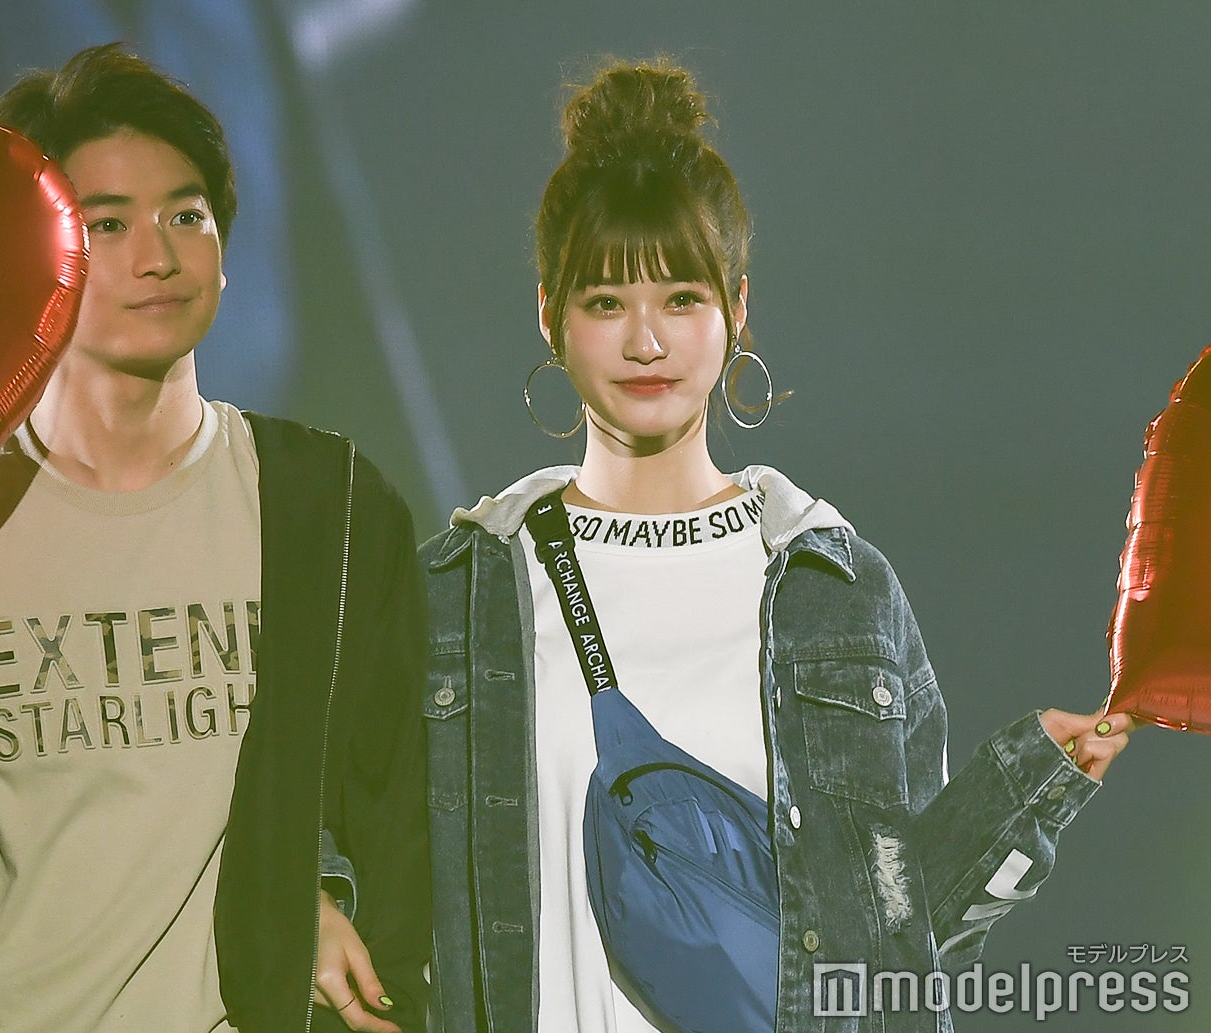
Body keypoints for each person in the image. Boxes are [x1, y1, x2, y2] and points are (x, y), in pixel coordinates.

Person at [419, 58, 1140, 1033]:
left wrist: (1018, 795)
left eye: (682, 297)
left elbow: (894, 947)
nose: (646, 342)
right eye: (605, 301)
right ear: (550, 313)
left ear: (738, 308)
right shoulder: (461, 594)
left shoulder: (834, 589)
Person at [0, 43, 428, 1033]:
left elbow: (401, 818)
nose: (158, 255)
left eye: (186, 215)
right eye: (106, 224)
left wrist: (324, 897)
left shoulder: (325, 506)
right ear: (32, 257)